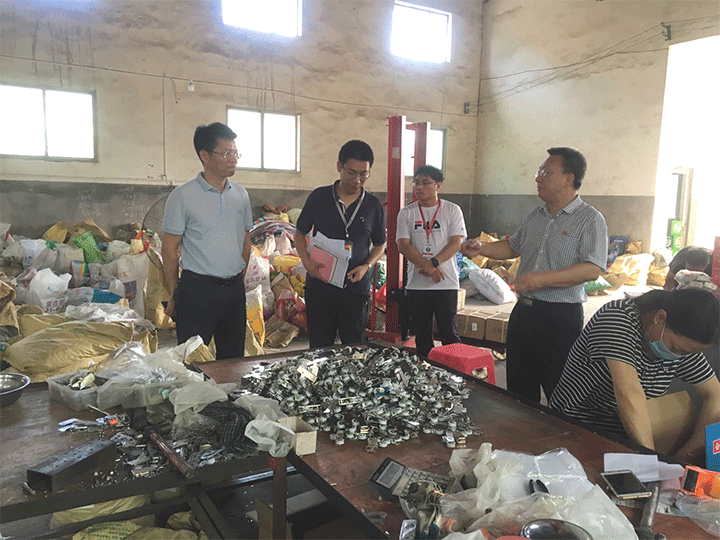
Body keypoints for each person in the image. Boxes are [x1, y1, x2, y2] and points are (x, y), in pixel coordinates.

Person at [460, 147, 608, 403]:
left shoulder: (589, 219)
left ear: (568, 178)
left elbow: (592, 268)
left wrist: (540, 279)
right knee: (519, 390)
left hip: (560, 318)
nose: (538, 178)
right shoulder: (535, 216)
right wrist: (482, 248)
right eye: (539, 172)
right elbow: (513, 247)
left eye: (546, 172)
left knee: (560, 392)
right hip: (525, 314)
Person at [550, 288, 720, 462]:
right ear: (660, 317)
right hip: (574, 426)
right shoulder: (618, 318)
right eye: (675, 348)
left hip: (624, 434)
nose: (679, 355)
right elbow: (629, 393)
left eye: (687, 353)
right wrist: (652, 461)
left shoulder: (683, 345)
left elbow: (715, 395)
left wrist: (685, 456)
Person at [161, 122, 253, 360]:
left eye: (235, 153)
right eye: (226, 153)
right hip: (197, 291)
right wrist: (174, 292)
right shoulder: (182, 196)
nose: (233, 159)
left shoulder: (240, 195)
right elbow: (169, 249)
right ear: (205, 155)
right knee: (193, 360)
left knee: (232, 360)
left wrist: (239, 279)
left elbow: (246, 240)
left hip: (234, 291)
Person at [294, 140, 387, 348]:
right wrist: (307, 263)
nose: (357, 180)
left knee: (354, 348)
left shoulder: (372, 205)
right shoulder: (319, 197)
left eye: (364, 174)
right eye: (352, 172)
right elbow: (299, 233)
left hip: (355, 290)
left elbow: (380, 244)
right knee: (319, 349)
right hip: (320, 286)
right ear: (339, 166)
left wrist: (366, 266)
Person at [396, 165, 466, 357]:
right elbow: (403, 245)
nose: (419, 187)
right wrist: (425, 265)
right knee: (422, 336)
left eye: (425, 183)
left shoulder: (452, 210)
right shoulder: (407, 213)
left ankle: (454, 372)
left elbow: (456, 242)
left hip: (446, 283)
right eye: (416, 183)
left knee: (449, 334)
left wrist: (433, 263)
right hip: (417, 285)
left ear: (438, 185)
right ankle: (425, 372)